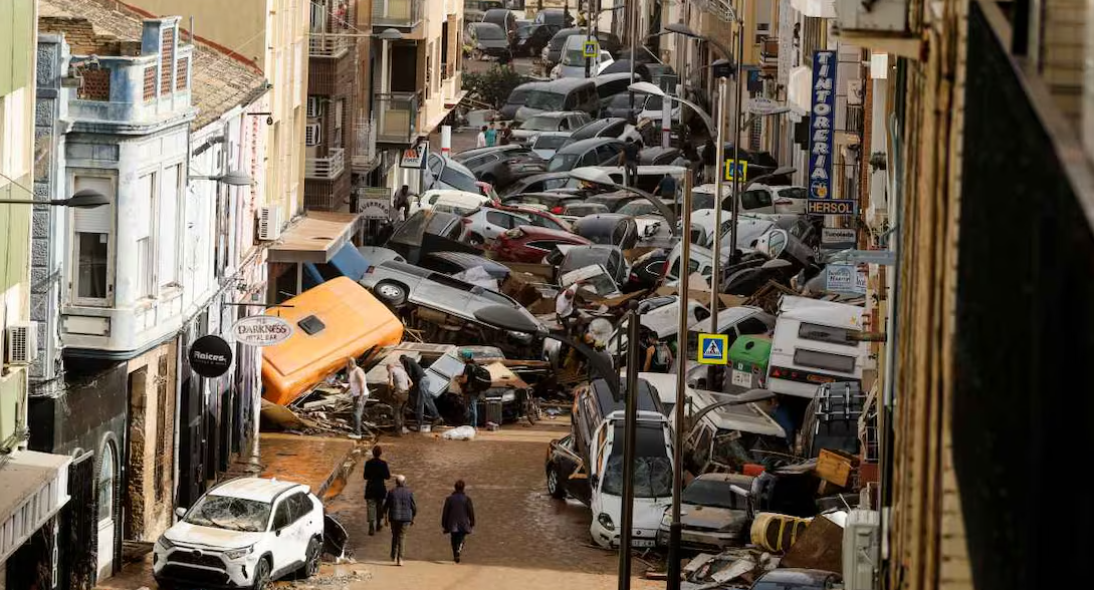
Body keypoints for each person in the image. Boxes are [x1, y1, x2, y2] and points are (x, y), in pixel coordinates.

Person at [384, 475, 417, 566]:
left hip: (394, 518)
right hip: (406, 519)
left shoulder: (391, 492)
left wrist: (385, 519)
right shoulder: (409, 492)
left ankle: (393, 555)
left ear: (396, 482)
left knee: (394, 536)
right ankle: (400, 558)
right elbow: (414, 507)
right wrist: (413, 518)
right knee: (402, 537)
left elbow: (386, 506)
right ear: (404, 482)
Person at [401, 355, 441, 431]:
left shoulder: (406, 361)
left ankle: (436, 417)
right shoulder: (412, 360)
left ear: (402, 360)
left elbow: (409, 374)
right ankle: (419, 423)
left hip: (422, 381)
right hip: (424, 380)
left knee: (426, 399)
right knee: (420, 403)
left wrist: (405, 383)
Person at [441, 480, 476, 563]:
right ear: (463, 488)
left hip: (452, 523)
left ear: (455, 488)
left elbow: (445, 512)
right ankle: (458, 551)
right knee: (462, 538)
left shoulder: (449, 499)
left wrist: (444, 524)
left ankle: (455, 555)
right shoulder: (467, 499)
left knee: (453, 539)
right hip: (463, 523)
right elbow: (470, 511)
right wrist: (472, 521)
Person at [455, 350, 491, 427]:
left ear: (466, 358)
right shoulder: (475, 365)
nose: (462, 359)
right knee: (472, 407)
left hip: (469, 390)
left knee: (471, 408)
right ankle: (472, 425)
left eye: (463, 357)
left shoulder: (468, 366)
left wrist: (457, 379)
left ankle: (473, 426)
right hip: (476, 389)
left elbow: (465, 380)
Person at [363, 445, 391, 535]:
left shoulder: (368, 463)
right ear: (380, 453)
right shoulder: (383, 464)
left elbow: (365, 476)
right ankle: (378, 524)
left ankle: (371, 526)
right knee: (380, 507)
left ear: (373, 453)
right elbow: (387, 476)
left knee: (371, 507)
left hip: (370, 488)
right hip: (380, 488)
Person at [346, 358, 369, 439]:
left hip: (361, 395)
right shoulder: (352, 371)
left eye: (347, 364)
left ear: (350, 363)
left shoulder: (358, 371)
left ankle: (357, 433)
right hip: (356, 395)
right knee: (355, 413)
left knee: (356, 414)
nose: (346, 366)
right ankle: (356, 430)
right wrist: (345, 389)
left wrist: (360, 398)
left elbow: (362, 384)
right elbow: (352, 382)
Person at [387, 360, 412, 436]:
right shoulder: (403, 371)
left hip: (399, 394)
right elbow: (411, 383)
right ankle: (402, 429)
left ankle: (398, 432)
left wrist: (391, 392)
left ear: (388, 368)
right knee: (402, 412)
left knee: (396, 412)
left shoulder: (391, 370)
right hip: (406, 393)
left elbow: (391, 384)